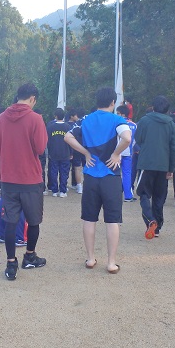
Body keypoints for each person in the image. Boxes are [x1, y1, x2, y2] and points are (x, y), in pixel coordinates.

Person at [65, 87, 131, 274]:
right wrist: (116, 154)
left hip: (91, 176)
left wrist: (86, 153)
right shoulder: (117, 119)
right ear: (113, 103)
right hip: (111, 176)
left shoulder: (85, 119)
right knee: (112, 220)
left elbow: (68, 137)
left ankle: (90, 258)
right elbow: (127, 138)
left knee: (89, 218)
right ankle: (111, 263)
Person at [0, 83, 48, 281]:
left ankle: (11, 262)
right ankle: (29, 256)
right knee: (33, 221)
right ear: (32, 98)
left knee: (10, 221)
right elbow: (40, 148)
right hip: (30, 179)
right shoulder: (35, 119)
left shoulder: (1, 118)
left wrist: (0, 172)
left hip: (8, 179)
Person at [134, 96, 175, 239]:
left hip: (146, 163)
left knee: (144, 193)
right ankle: (157, 227)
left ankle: (150, 219)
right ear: (167, 109)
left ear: (153, 107)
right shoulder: (171, 123)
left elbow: (138, 139)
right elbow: (174, 147)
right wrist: (171, 168)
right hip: (164, 165)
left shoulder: (144, 120)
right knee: (159, 196)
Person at [46, 107, 72, 197]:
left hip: (53, 153)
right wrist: (71, 152)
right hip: (65, 153)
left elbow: (47, 141)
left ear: (55, 116)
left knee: (53, 172)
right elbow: (71, 141)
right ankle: (63, 191)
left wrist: (49, 151)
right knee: (64, 172)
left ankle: (54, 190)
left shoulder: (50, 127)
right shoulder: (68, 127)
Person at [115, 105, 137, 202]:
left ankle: (114, 193)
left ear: (121, 114)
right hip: (128, 152)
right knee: (127, 173)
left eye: (118, 113)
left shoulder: (116, 122)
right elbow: (135, 140)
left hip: (116, 152)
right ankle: (128, 195)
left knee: (114, 173)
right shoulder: (134, 125)